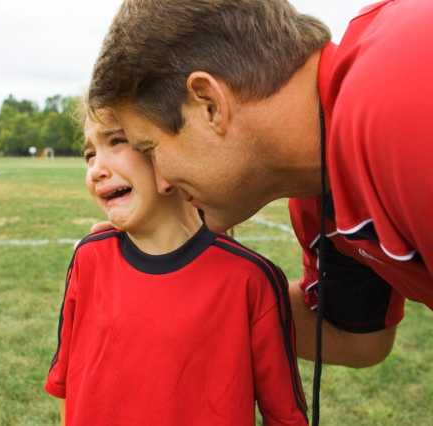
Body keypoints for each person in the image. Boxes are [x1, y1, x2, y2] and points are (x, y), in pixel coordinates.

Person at [87, 0, 433, 369]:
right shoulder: (316, 194)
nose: (161, 182)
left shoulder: (399, 96)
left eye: (149, 149)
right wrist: (179, 281)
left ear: (209, 105)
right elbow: (356, 340)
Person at [45, 108, 308, 425]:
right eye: (89, 154)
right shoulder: (89, 259)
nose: (96, 169)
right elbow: (65, 385)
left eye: (116, 140)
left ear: (173, 150)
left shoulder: (250, 280)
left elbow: (284, 416)